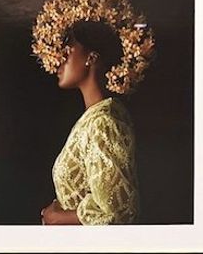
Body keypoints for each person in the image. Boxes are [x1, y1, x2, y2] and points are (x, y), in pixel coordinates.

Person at [41, 21, 139, 226]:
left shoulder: (103, 123)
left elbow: (119, 212)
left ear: (91, 58)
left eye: (67, 52)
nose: (58, 62)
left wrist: (57, 217)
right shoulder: (94, 118)